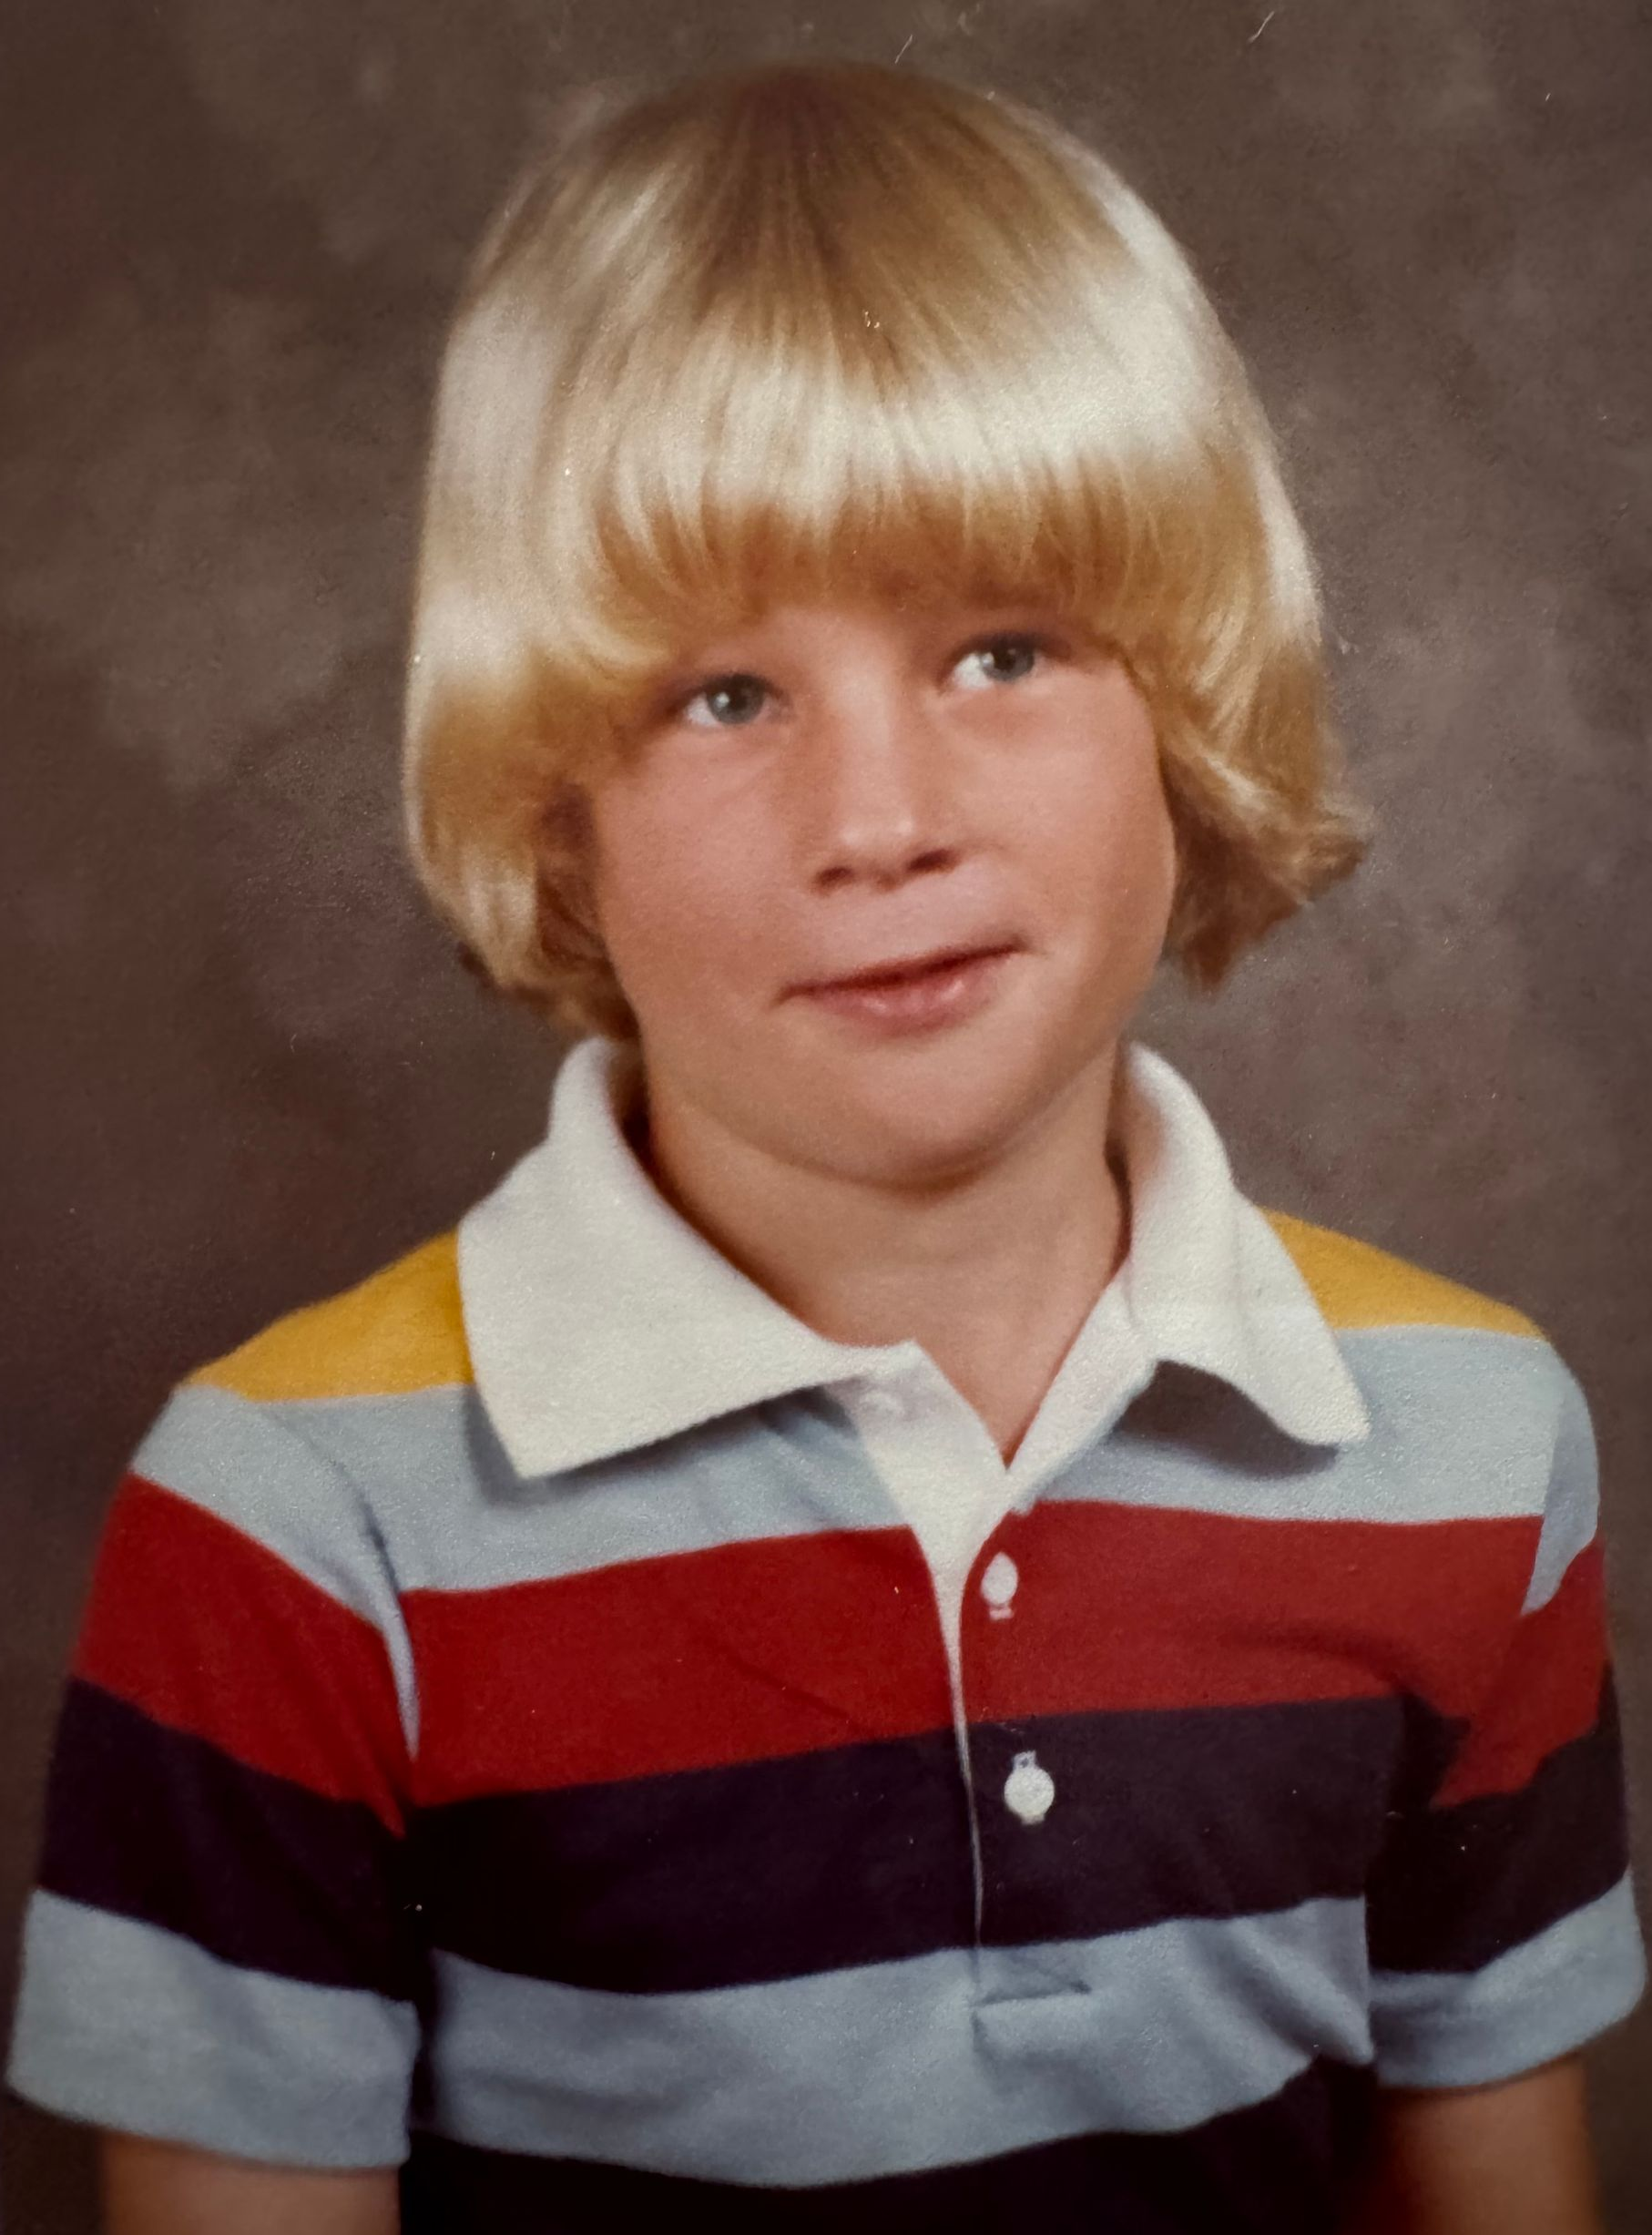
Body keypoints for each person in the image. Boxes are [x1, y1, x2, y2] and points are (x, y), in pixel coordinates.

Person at [5, 56, 1644, 2235]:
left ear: (1187, 706)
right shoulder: (300, 1526)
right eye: (722, 698)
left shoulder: (1464, 1442)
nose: (881, 825)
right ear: (550, 798)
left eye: (1001, 646)